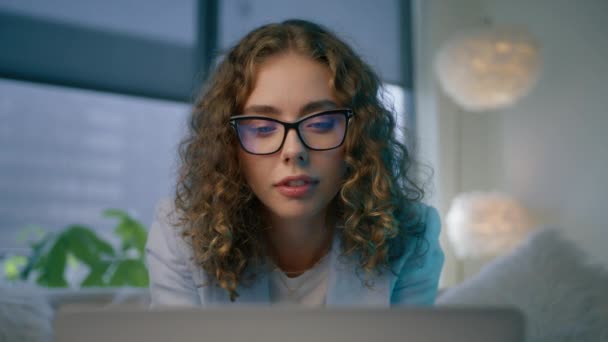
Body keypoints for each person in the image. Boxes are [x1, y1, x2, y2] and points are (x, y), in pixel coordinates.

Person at [145, 19, 444, 308]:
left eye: (322, 123)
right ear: (228, 143)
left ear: (359, 136)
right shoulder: (182, 237)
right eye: (262, 128)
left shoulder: (410, 236)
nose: (293, 150)